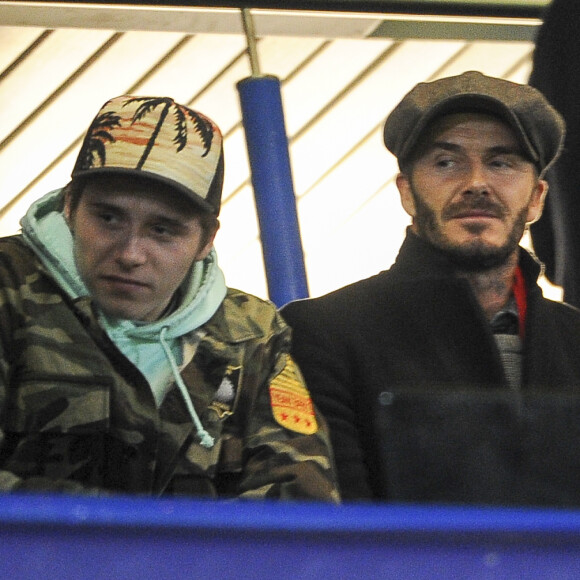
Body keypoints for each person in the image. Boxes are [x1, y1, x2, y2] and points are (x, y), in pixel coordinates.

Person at [0, 95, 339, 501]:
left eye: (163, 230)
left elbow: (299, 498)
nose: (130, 254)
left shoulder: (250, 334)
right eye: (108, 218)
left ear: (205, 241)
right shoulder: (9, 288)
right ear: (70, 207)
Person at [282, 71, 580, 505]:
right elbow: (342, 531)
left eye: (501, 162)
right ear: (406, 192)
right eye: (446, 162)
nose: (476, 183)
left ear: (536, 197)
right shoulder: (324, 334)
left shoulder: (575, 341)